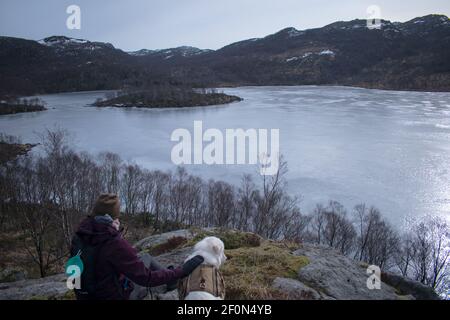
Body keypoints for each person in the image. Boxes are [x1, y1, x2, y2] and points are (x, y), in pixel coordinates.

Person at [70, 193, 203, 300]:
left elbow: (75, 270)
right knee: (146, 260)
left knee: (144, 257)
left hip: (85, 295)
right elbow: (147, 278)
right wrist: (182, 271)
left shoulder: (80, 236)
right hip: (115, 296)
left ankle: (171, 280)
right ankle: (173, 281)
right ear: (113, 218)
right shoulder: (113, 242)